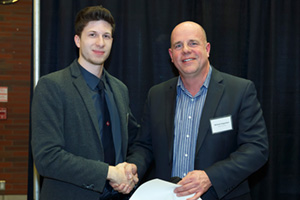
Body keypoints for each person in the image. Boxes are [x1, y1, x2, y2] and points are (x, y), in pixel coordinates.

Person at [126, 21, 269, 200]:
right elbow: (144, 146)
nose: (186, 50)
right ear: (171, 55)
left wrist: (210, 177)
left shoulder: (239, 91)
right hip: (167, 196)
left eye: (193, 43)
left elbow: (256, 149)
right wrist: (133, 167)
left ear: (207, 49)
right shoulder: (156, 95)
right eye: (178, 45)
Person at [31, 5, 139, 200]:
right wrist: (108, 172)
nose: (100, 42)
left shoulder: (120, 90)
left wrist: (130, 169)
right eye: (92, 35)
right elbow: (47, 157)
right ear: (77, 40)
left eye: (106, 36)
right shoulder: (52, 86)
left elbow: (134, 142)